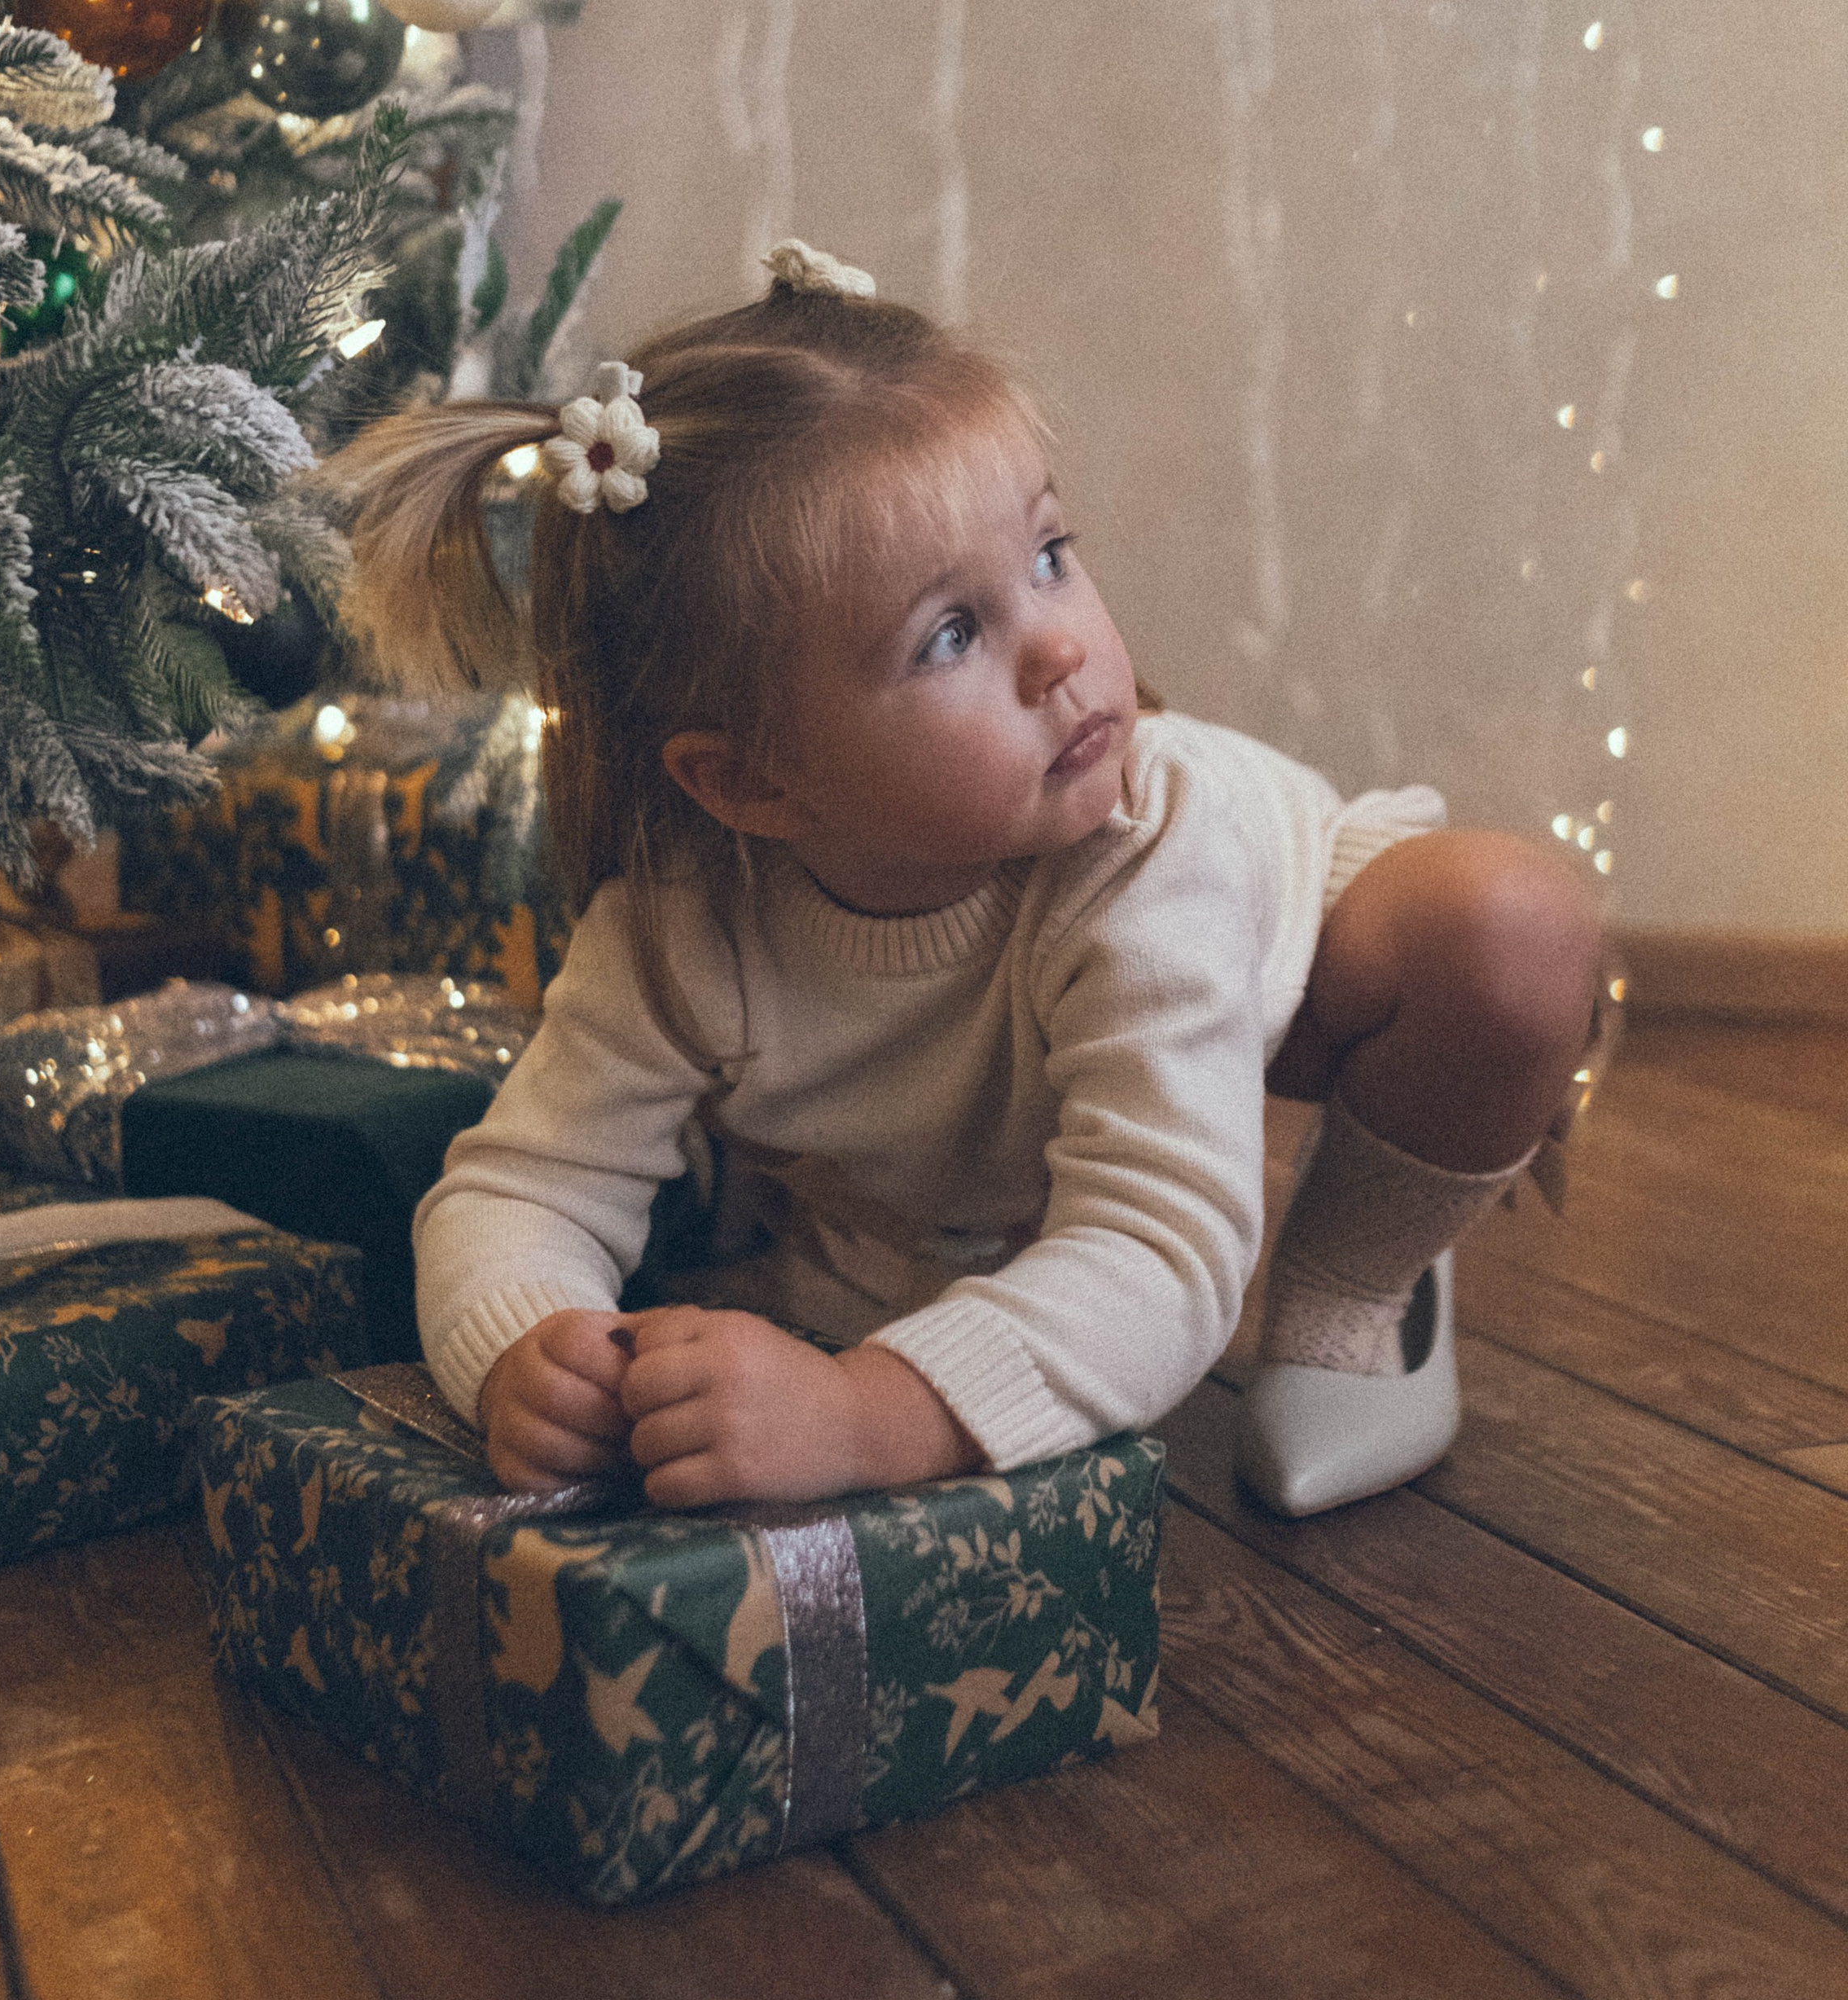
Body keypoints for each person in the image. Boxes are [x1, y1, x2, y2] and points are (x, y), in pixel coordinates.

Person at [332, 241, 1602, 1519]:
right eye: (950, 634)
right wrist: (528, 1350)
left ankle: (1364, 1284)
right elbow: (521, 1187)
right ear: (751, 785)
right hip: (958, 1160)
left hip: (1297, 980)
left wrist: (874, 1414)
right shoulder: (681, 925)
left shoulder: (1150, 841)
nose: (1060, 648)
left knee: (1508, 932)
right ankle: (907, 1260)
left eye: (1050, 554)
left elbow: (1162, 1245)